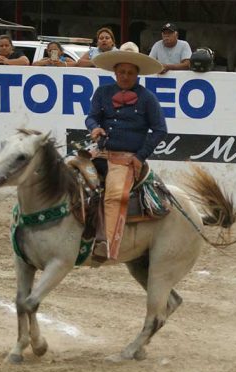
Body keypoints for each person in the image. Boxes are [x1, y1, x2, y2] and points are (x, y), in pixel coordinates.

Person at [85, 42, 166, 262]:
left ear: (137, 74)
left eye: (130, 72)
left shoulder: (148, 98)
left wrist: (140, 156)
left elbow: (160, 129)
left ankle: (106, 245)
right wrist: (95, 128)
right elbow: (91, 117)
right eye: (122, 72)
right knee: (70, 175)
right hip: (100, 152)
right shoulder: (102, 92)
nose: (125, 76)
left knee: (113, 195)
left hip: (125, 159)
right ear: (115, 72)